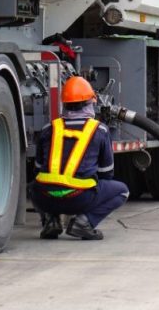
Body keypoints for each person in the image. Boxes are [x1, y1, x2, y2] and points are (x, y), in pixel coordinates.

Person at [31, 76, 129, 240]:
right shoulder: (100, 130)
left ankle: (51, 221)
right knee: (122, 191)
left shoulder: (48, 128)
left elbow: (37, 168)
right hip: (80, 199)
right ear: (91, 102)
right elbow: (107, 173)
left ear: (65, 103)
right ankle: (83, 223)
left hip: (45, 198)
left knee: (34, 185)